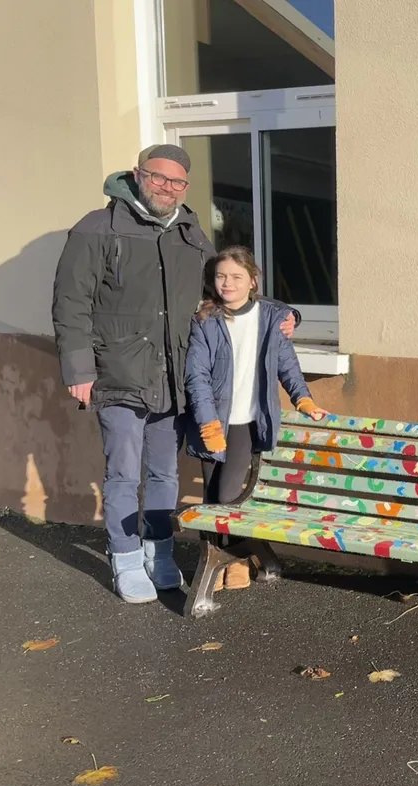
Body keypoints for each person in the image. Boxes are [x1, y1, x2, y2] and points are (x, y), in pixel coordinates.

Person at [51, 145, 298, 604]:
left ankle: (158, 552)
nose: (167, 187)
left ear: (185, 187)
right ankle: (125, 558)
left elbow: (225, 286)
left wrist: (285, 315)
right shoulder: (98, 228)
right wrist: (79, 368)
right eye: (158, 177)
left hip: (172, 376)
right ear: (137, 175)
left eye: (177, 181)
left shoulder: (189, 230)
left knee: (164, 473)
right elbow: (70, 303)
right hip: (117, 372)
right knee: (124, 472)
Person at [184, 247, 328, 590]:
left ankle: (230, 564)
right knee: (211, 495)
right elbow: (196, 376)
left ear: (253, 280)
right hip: (213, 422)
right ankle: (228, 561)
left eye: (236, 277)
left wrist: (303, 399)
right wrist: (207, 424)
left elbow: (286, 365)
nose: (227, 284)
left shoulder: (271, 317)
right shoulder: (205, 320)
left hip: (247, 422)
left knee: (228, 493)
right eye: (221, 276)